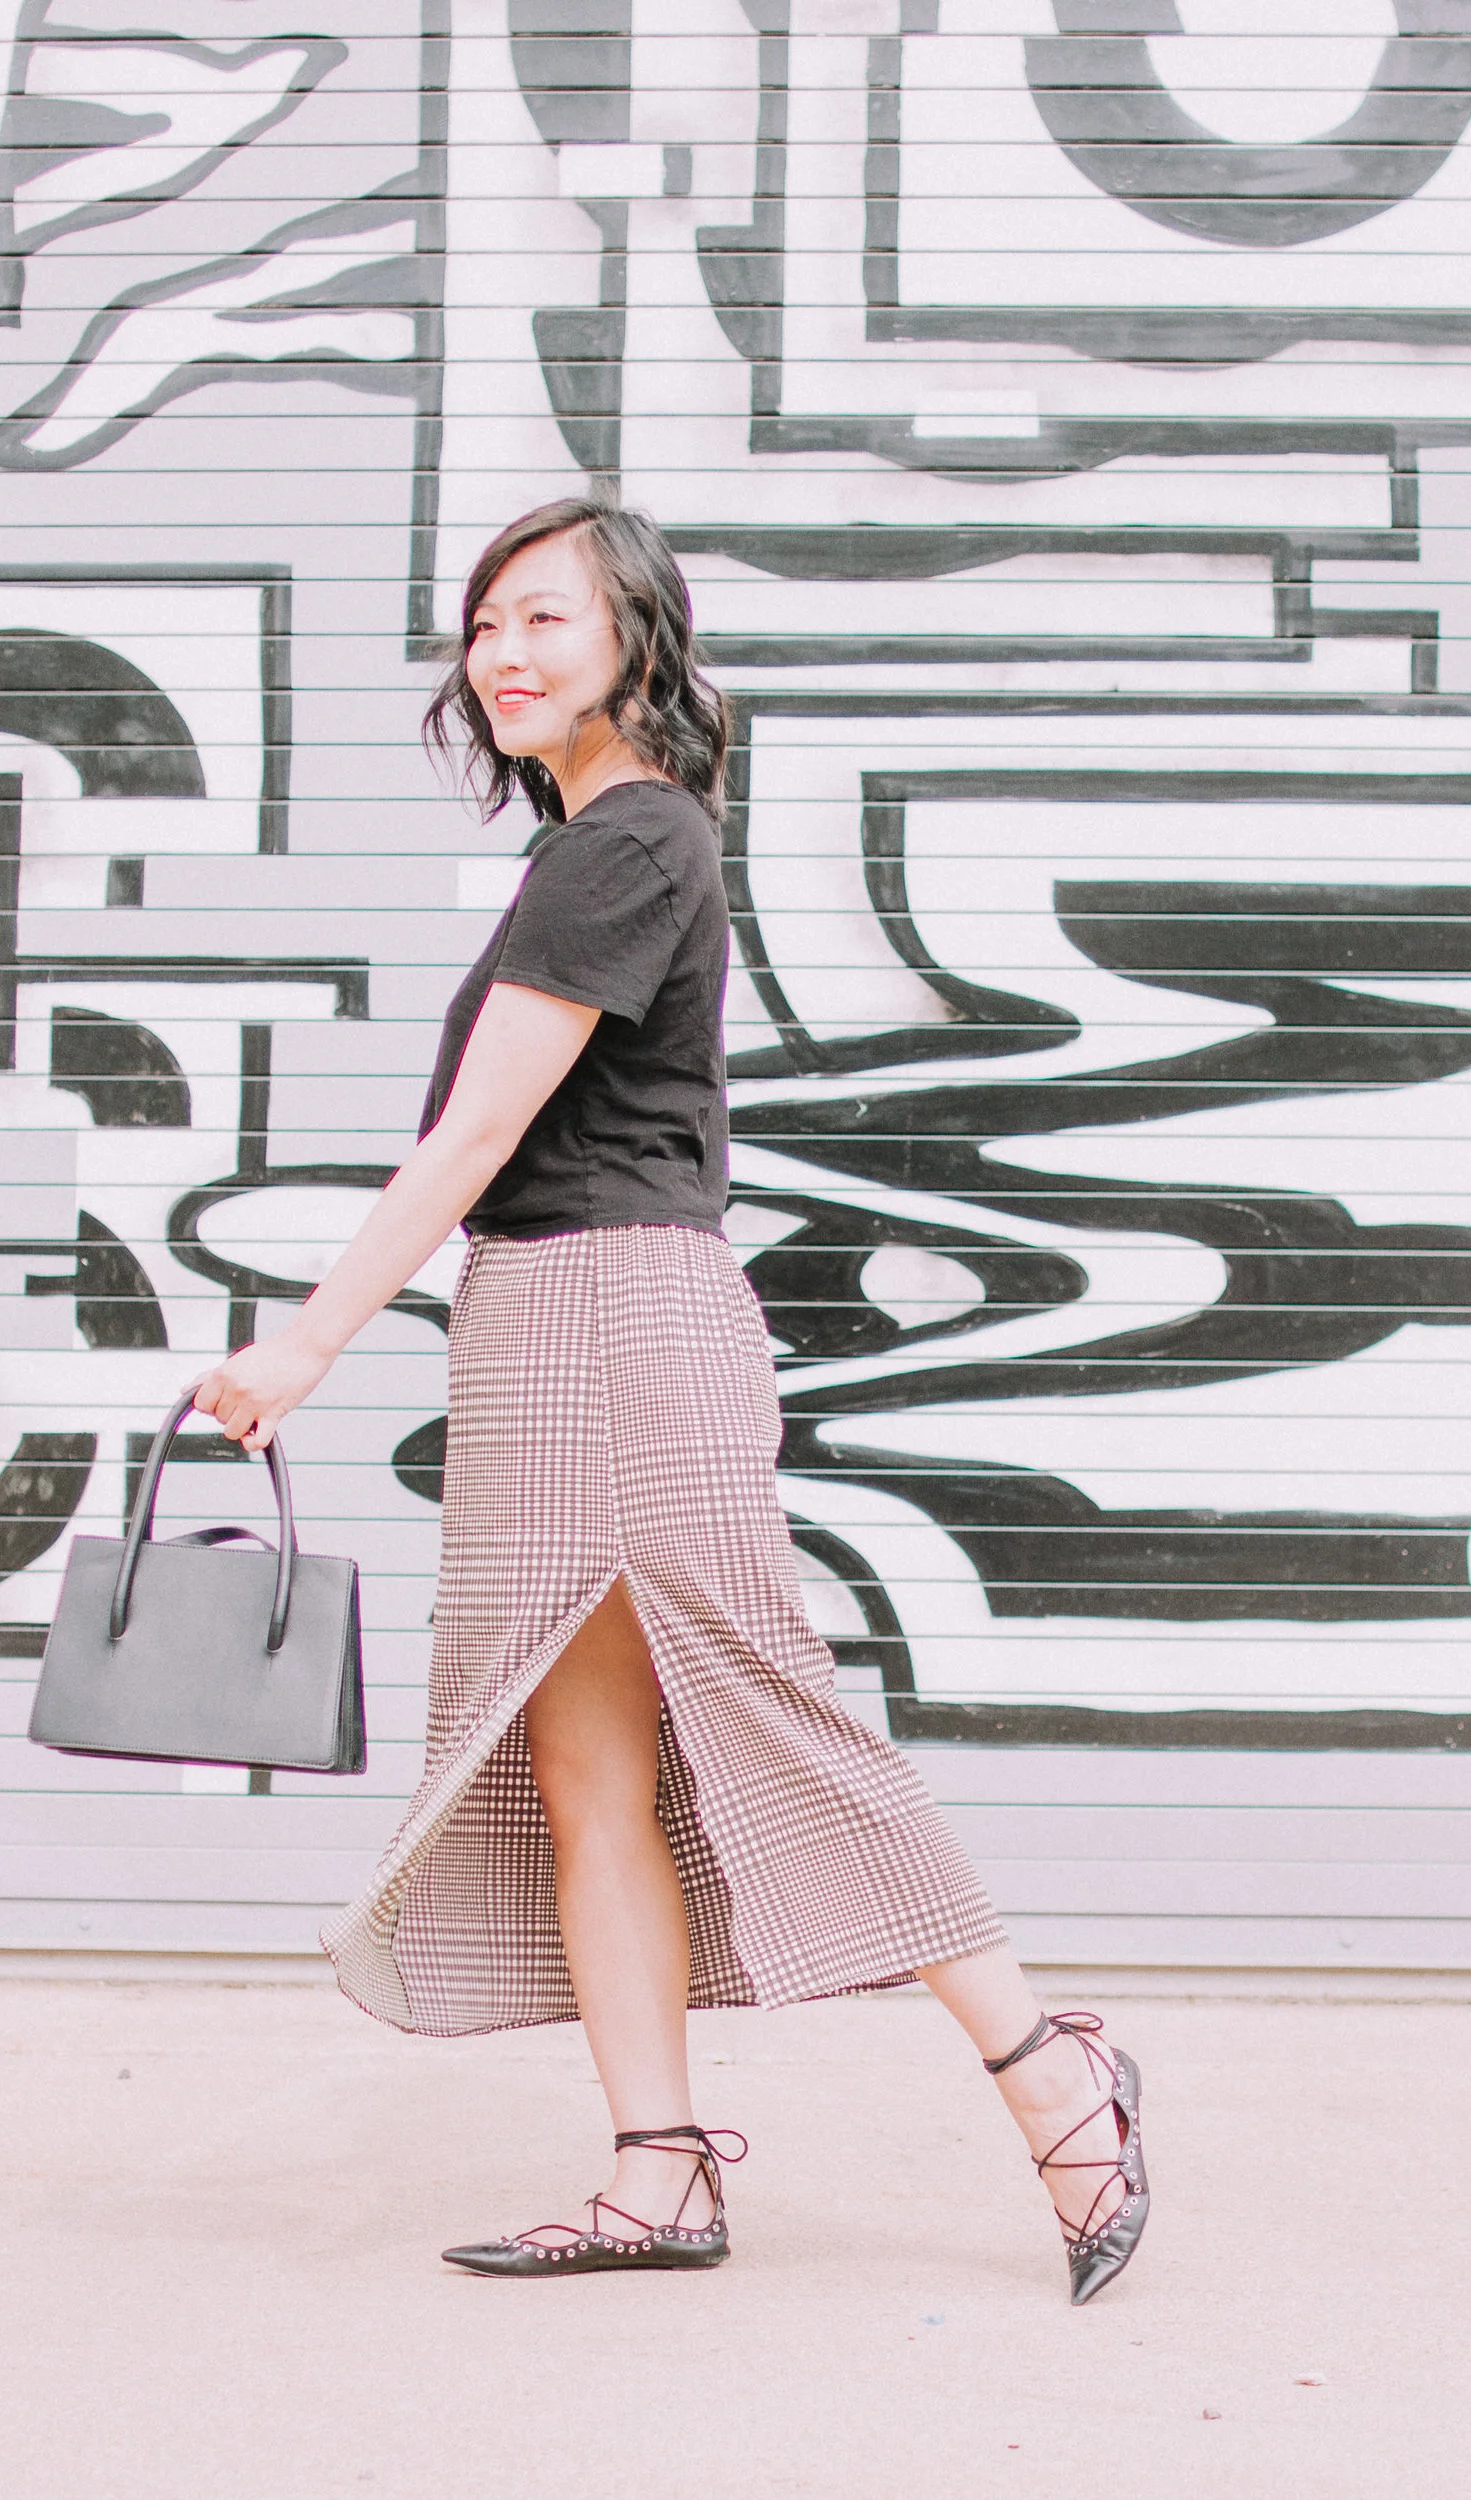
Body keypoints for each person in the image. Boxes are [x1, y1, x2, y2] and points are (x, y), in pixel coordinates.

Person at [188, 498, 1148, 2303]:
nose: (505, 652)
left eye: (545, 615)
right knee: (577, 1761)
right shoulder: (589, 850)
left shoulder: (626, 843)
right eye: (483, 625)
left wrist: (309, 1337)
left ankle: (1054, 2072)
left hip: (622, 1315)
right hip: (540, 1317)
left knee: (769, 1707)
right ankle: (659, 2173)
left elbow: (479, 1133)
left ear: (637, 636)